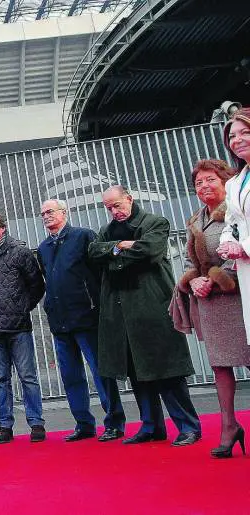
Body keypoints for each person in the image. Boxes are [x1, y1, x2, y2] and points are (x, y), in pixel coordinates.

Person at [89, 185, 201, 446]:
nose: (114, 211)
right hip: (122, 315)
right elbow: (94, 252)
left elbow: (149, 252)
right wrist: (119, 247)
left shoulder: (155, 222)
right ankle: (151, 426)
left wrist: (113, 254)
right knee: (137, 373)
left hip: (152, 308)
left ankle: (188, 427)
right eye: (108, 208)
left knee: (168, 371)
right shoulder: (107, 232)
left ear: (129, 198)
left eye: (117, 205)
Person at [36, 199, 126, 443]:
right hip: (60, 321)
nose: (46, 216)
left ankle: (114, 422)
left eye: (50, 211)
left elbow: (100, 272)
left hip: (87, 317)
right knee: (71, 375)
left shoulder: (83, 236)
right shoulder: (43, 247)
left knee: (100, 372)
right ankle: (84, 424)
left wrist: (98, 305)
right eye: (43, 213)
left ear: (64, 213)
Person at [177, 159, 248, 458]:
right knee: (220, 366)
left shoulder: (234, 212)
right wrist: (193, 282)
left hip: (237, 296)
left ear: (225, 181)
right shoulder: (195, 218)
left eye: (210, 180)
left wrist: (215, 280)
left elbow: (239, 254)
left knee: (247, 357)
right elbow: (190, 260)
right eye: (198, 183)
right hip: (209, 301)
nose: (204, 186)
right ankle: (229, 426)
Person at [0, 212, 46, 444]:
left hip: (18, 326)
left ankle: (36, 423)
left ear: (2, 227)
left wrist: (23, 307)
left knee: (28, 376)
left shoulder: (20, 252)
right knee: (1, 378)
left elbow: (37, 285)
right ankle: (5, 425)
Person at [218, 107, 250, 345]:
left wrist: (245, 247)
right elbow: (231, 222)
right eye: (231, 136)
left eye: (244, 132)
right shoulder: (233, 184)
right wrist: (227, 242)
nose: (237, 140)